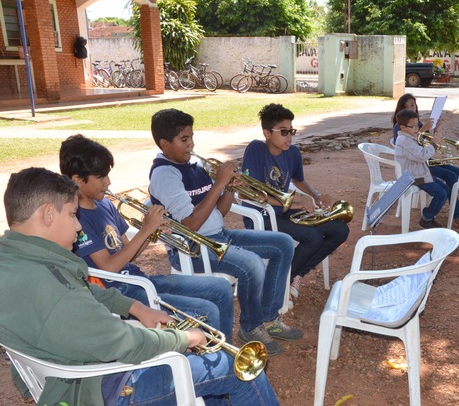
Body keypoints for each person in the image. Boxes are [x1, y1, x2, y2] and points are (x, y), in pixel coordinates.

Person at [0, 167, 279, 406]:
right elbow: (125, 343)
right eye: (73, 215)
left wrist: (134, 307)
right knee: (233, 368)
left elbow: (83, 288)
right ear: (48, 214)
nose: (78, 228)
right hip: (103, 387)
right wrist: (185, 339)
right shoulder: (51, 289)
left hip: (73, 369)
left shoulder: (16, 258)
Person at [148, 108, 302, 356]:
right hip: (192, 246)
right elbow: (190, 224)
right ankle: (250, 328)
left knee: (282, 244)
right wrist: (219, 183)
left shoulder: (194, 165)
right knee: (252, 265)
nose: (191, 144)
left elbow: (219, 210)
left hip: (218, 236)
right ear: (165, 144)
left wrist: (229, 189)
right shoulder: (165, 174)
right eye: (184, 140)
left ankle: (268, 318)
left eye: (192, 137)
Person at [59, 134, 235, 341]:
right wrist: (145, 231)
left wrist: (151, 232)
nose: (108, 182)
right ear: (77, 180)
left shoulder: (105, 204)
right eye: (101, 177)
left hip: (139, 280)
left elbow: (126, 254)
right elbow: (108, 268)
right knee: (207, 311)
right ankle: (208, 365)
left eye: (107, 175)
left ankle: (226, 356)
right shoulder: (76, 218)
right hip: (120, 294)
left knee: (221, 288)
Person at [241, 103, 350, 301]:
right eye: (283, 132)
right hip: (261, 215)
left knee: (340, 230)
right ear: (267, 133)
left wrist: (316, 196)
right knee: (313, 237)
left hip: (284, 211)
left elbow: (298, 179)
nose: (289, 136)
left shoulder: (293, 153)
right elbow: (247, 194)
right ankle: (278, 283)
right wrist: (294, 204)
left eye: (291, 131)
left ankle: (294, 275)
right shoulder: (255, 149)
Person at [392, 93, 459, 229]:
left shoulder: (414, 123)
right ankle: (457, 215)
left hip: (424, 161)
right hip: (418, 165)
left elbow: (425, 139)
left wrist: (435, 128)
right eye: (406, 106)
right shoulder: (401, 126)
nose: (410, 108)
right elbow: (415, 145)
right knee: (450, 177)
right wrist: (427, 135)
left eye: (412, 105)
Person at [394, 109, 448, 229]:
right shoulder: (404, 141)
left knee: (445, 188)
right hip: (412, 177)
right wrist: (434, 144)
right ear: (402, 127)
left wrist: (435, 131)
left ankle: (429, 216)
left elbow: (420, 145)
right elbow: (422, 155)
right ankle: (426, 219)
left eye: (417, 125)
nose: (416, 129)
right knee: (441, 194)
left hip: (419, 173)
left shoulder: (409, 137)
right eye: (412, 126)